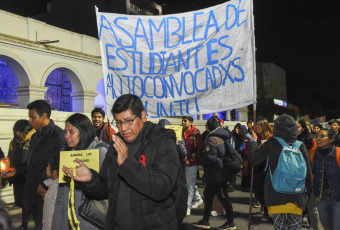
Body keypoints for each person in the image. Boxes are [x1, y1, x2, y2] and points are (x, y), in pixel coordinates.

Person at [62, 94, 180, 229]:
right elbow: (106, 188)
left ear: (143, 116)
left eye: (129, 121)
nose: (123, 128)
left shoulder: (162, 141)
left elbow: (162, 187)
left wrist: (126, 163)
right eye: (118, 122)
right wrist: (90, 179)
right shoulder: (117, 142)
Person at [248, 114, 313, 230]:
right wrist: (307, 192)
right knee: (295, 227)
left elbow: (254, 161)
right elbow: (308, 171)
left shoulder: (271, 143)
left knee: (280, 227)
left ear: (277, 128)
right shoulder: (300, 146)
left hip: (275, 193)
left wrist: (253, 142)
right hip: (297, 195)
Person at [51, 113, 108, 230]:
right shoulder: (66, 153)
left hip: (92, 222)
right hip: (70, 222)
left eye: (71, 132)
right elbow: (62, 194)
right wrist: (57, 225)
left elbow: (107, 189)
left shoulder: (100, 151)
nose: (66, 136)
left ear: (83, 131)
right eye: (65, 132)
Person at [25, 100, 64, 230]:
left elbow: (60, 167)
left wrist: (44, 185)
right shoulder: (35, 136)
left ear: (44, 116)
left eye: (32, 117)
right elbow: (32, 162)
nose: (30, 121)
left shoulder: (59, 136)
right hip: (34, 192)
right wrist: (17, 170)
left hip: (47, 194)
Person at [194, 116, 236, 230]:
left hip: (217, 174)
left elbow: (210, 159)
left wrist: (198, 160)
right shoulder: (222, 135)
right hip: (218, 172)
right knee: (208, 196)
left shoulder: (212, 139)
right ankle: (205, 220)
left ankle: (231, 222)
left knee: (223, 197)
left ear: (208, 127)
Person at [3, 120, 35, 230]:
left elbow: (31, 162)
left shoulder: (32, 141)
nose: (18, 134)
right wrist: (6, 165)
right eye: (16, 131)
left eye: (19, 132)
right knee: (20, 202)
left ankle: (24, 225)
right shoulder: (14, 142)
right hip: (16, 176)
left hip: (27, 177)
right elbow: (9, 156)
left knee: (25, 202)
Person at [312, 128, 340, 230]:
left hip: (337, 197)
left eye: (322, 136)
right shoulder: (313, 154)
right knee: (326, 225)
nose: (318, 138)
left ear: (331, 139)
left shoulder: (338, 152)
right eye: (316, 136)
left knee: (337, 226)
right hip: (321, 197)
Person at [296, 118, 319, 230]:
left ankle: (315, 227)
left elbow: (314, 160)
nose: (295, 129)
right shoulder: (289, 140)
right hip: (294, 180)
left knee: (312, 209)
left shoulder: (311, 141)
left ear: (303, 128)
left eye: (298, 127)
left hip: (309, 177)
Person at [250, 117, 273, 220]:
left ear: (264, 125)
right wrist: (252, 142)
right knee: (258, 190)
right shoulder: (256, 137)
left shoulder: (271, 137)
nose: (256, 127)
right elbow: (250, 154)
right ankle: (265, 207)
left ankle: (268, 212)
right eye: (255, 125)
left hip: (269, 168)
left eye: (258, 125)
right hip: (259, 167)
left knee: (266, 191)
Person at [182, 115, 204, 215]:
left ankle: (188, 207)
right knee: (187, 184)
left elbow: (199, 150)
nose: (183, 122)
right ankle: (198, 199)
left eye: (185, 121)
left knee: (190, 185)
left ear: (190, 122)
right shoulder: (180, 131)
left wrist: (190, 160)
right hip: (182, 162)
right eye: (182, 121)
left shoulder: (196, 134)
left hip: (192, 163)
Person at [42, 155, 59, 230]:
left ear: (54, 172)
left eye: (48, 167)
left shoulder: (58, 189)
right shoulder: (51, 181)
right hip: (47, 225)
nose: (46, 168)